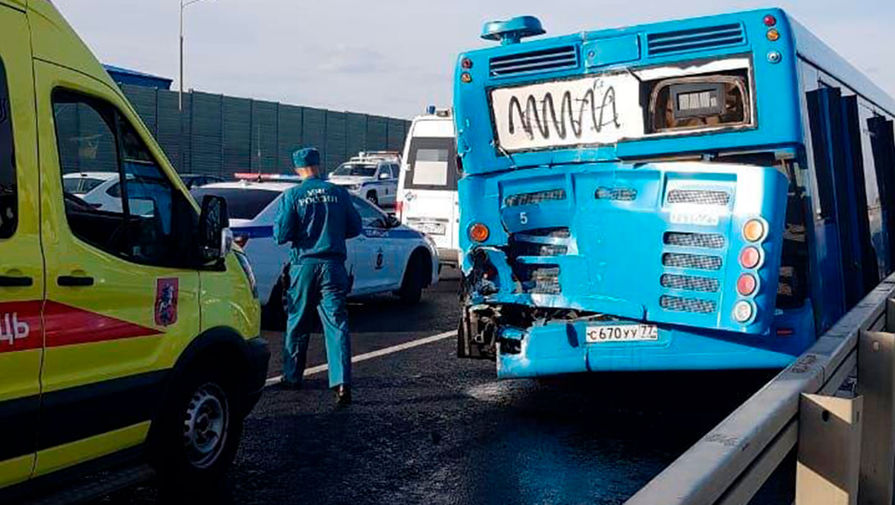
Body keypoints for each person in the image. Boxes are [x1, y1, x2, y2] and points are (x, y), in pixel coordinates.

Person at [274, 147, 363, 405]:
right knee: (336, 324)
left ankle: (292, 375)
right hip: (333, 265)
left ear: (297, 169)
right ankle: (342, 382)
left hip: (304, 264)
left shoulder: (293, 195)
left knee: (298, 320)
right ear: (319, 165)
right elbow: (355, 227)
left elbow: (281, 235)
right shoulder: (338, 193)